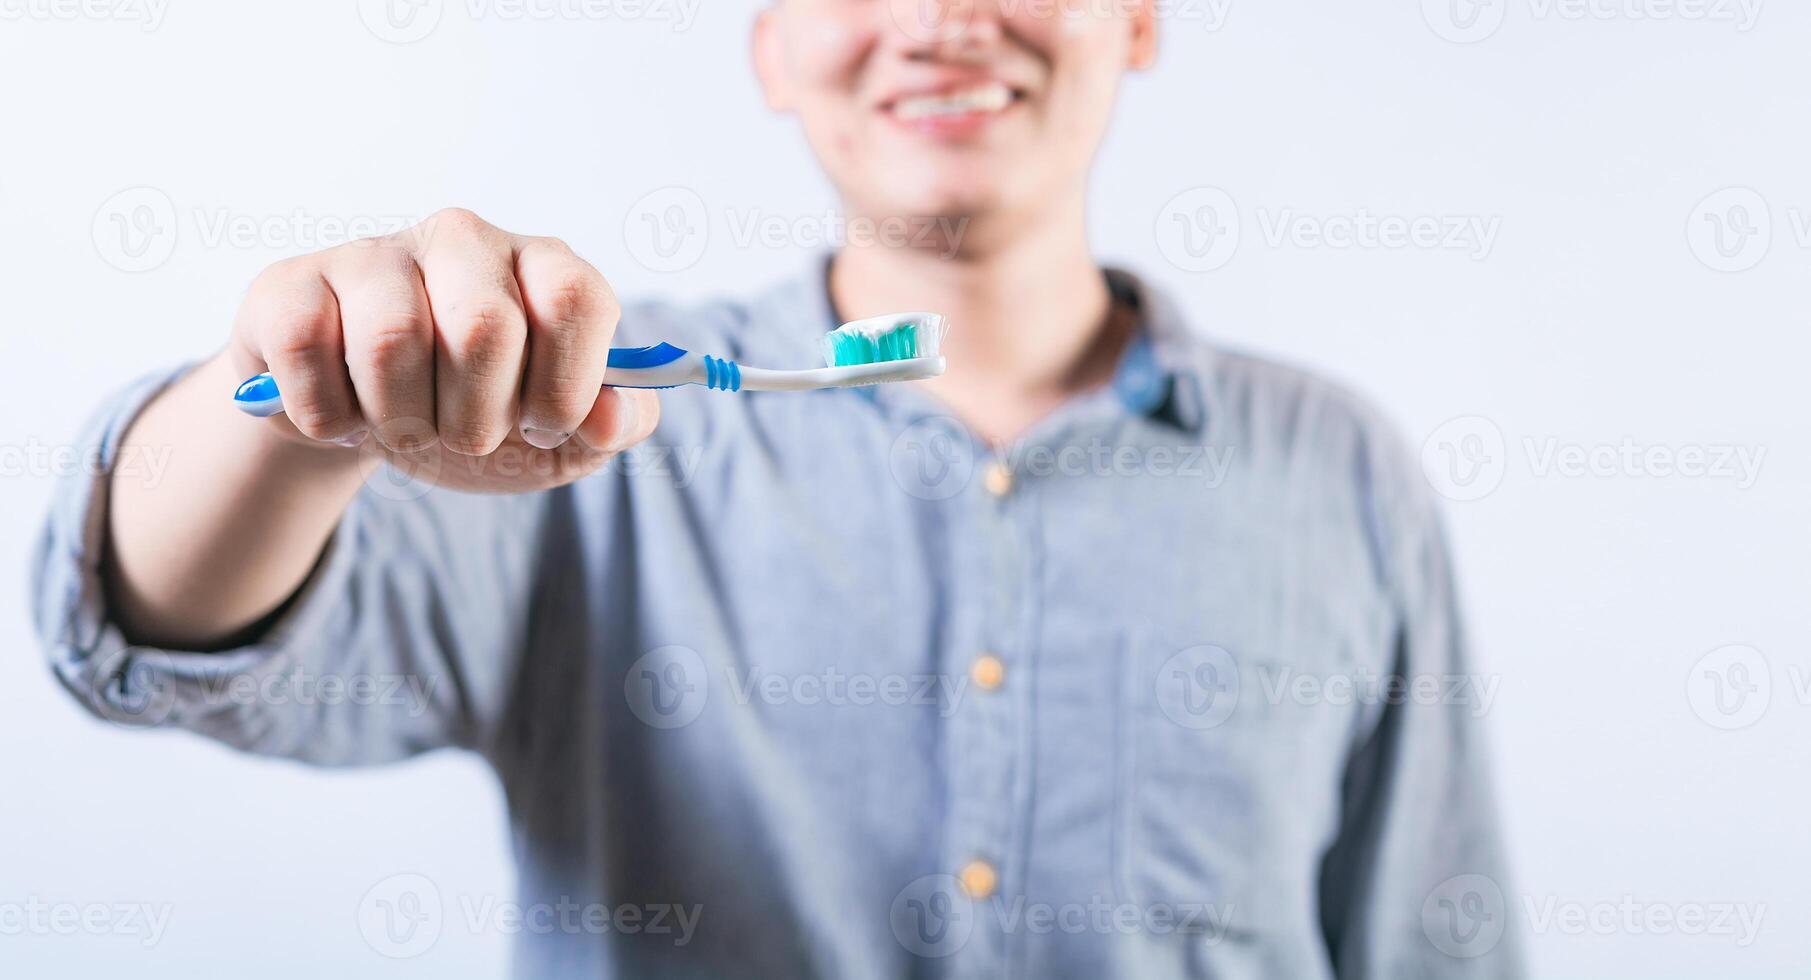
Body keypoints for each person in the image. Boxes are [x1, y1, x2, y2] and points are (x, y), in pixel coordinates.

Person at [34, 1, 1519, 976]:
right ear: (768, 43)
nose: (942, 21)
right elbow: (157, 635)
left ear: (1136, 19)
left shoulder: (1342, 478)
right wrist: (300, 414)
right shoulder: (575, 424)